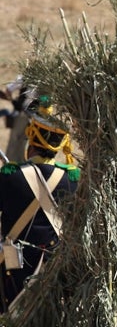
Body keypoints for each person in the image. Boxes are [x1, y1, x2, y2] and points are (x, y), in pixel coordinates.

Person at [0, 97, 79, 312]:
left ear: (32, 137)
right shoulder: (73, 180)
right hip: (55, 273)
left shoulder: (9, 176)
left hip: (13, 272)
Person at [0, 75, 37, 162]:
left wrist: (12, 101)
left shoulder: (24, 77)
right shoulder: (45, 81)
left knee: (14, 141)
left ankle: (10, 167)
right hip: (35, 118)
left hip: (22, 115)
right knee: (25, 143)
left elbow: (8, 90)